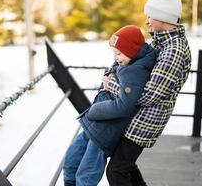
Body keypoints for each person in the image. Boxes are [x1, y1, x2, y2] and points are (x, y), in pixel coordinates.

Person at [104, 0, 192, 186]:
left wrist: (111, 85)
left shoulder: (173, 51)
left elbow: (147, 95)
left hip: (145, 121)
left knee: (116, 171)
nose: (147, 21)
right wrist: (111, 71)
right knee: (126, 166)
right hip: (135, 116)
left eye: (150, 15)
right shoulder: (159, 41)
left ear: (164, 17)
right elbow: (131, 59)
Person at [63, 25, 157, 186]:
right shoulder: (127, 63)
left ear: (132, 50)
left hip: (105, 132)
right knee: (71, 161)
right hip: (95, 125)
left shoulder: (134, 71)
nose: (116, 57)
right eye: (114, 53)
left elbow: (124, 106)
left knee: (86, 174)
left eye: (119, 53)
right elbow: (113, 75)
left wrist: (93, 111)